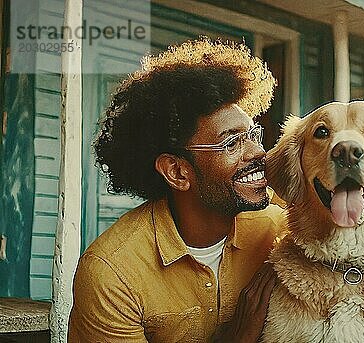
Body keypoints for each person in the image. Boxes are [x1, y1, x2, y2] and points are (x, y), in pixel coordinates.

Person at [68, 38, 285, 342]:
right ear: (177, 172)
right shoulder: (112, 274)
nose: (258, 152)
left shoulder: (280, 232)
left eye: (252, 134)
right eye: (232, 142)